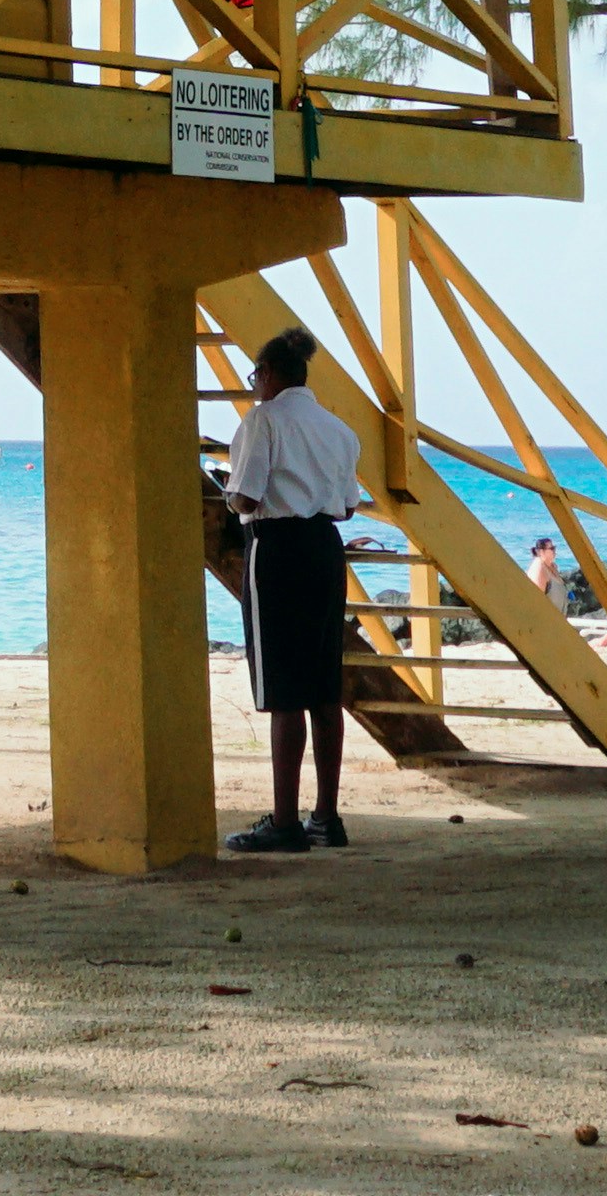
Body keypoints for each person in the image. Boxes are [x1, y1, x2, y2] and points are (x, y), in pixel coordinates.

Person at [220, 327, 364, 853]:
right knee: (324, 688)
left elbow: (246, 497)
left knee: (284, 689)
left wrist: (228, 490)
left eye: (256, 376)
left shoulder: (263, 421)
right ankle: (326, 815)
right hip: (326, 550)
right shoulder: (340, 430)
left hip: (276, 549)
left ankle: (283, 821)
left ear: (272, 376)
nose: (255, 385)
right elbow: (347, 506)